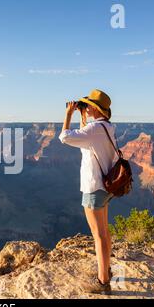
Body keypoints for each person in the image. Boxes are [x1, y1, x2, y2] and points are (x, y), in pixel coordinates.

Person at [59, 89, 119, 294]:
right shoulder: (106, 126)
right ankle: (107, 270)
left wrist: (69, 114)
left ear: (93, 108)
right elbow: (85, 136)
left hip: (94, 187)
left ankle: (103, 282)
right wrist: (83, 116)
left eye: (86, 106)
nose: (83, 109)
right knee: (104, 231)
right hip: (107, 187)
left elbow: (65, 137)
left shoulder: (93, 131)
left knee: (98, 234)